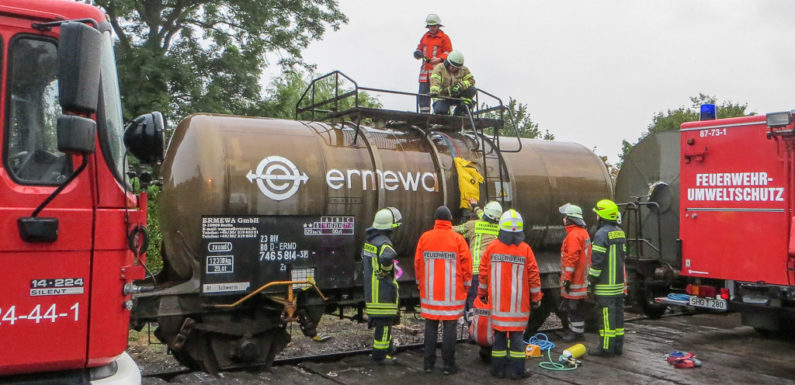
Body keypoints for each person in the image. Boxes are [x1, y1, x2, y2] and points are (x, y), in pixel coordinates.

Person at [478, 209, 542, 380]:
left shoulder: (491, 248)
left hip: (498, 305)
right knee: (517, 340)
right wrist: (536, 298)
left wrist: (482, 293)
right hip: (518, 307)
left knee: (498, 338)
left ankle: (497, 370)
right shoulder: (526, 250)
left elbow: (483, 274)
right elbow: (534, 276)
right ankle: (517, 372)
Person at [415, 206, 472, 375]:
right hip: (452, 294)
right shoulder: (457, 239)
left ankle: (428, 364)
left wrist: (420, 284)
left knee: (430, 326)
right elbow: (466, 266)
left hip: (430, 293)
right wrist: (467, 285)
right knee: (450, 327)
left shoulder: (425, 238)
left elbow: (418, 264)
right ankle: (448, 366)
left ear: (435, 220)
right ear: (449, 221)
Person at [362, 207, 402, 364]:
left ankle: (389, 348)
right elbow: (388, 256)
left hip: (372, 293)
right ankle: (380, 356)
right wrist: (385, 271)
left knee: (382, 325)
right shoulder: (384, 243)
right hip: (383, 294)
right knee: (384, 326)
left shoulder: (370, 241)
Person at [588, 199, 627, 356]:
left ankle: (605, 348)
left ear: (602, 216)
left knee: (606, 318)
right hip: (618, 285)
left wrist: (591, 281)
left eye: (597, 214)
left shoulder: (601, 234)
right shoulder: (620, 232)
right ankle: (618, 347)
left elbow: (597, 262)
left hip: (605, 286)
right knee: (618, 317)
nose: (596, 216)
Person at [453, 199, 502, 320]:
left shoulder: (473, 225)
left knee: (473, 306)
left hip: (476, 273)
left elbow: (453, 230)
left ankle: (474, 331)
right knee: (490, 305)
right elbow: (487, 216)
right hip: (493, 274)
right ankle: (489, 332)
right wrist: (475, 206)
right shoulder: (500, 228)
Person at [558, 203, 591, 342]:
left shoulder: (573, 235)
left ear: (571, 219)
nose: (564, 219)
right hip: (581, 278)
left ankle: (575, 333)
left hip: (575, 280)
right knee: (577, 307)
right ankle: (577, 331)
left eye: (565, 217)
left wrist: (567, 279)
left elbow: (571, 259)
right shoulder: (582, 233)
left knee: (573, 308)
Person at [414, 13, 452, 113]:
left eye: (434, 26)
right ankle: (424, 117)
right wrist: (417, 53)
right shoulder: (425, 37)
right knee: (423, 95)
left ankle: (439, 117)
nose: (432, 28)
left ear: (438, 26)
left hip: (437, 73)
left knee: (438, 96)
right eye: (430, 26)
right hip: (424, 73)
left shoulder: (444, 38)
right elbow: (419, 49)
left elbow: (449, 53)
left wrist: (440, 59)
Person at [429, 50, 476, 116]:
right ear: (448, 62)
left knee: (472, 89)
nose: (454, 69)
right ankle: (441, 112)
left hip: (457, 96)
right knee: (440, 110)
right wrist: (434, 92)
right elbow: (435, 81)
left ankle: (461, 110)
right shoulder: (439, 68)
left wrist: (461, 85)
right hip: (442, 97)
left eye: (457, 68)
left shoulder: (463, 69)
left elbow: (471, 80)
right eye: (452, 66)